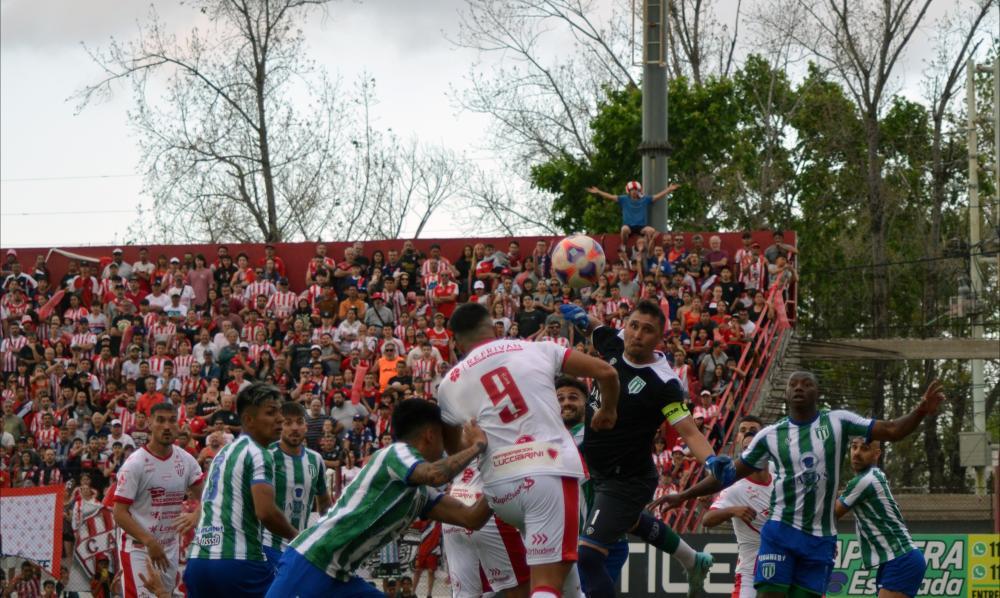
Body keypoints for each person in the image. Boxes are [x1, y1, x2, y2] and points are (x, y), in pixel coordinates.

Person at [654, 374, 948, 598]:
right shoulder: (770, 435)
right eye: (793, 384)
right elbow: (729, 474)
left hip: (820, 542)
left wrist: (921, 410)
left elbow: (893, 430)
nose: (798, 388)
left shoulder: (839, 422)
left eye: (806, 384)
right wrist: (685, 495)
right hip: (780, 533)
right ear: (785, 392)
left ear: (816, 392)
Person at [436, 302, 621, 598]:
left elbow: (452, 451)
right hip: (548, 473)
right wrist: (608, 410)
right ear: (494, 328)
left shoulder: (449, 384)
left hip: (499, 492)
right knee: (546, 585)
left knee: (568, 584)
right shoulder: (535, 349)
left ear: (456, 341)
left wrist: (476, 443)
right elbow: (607, 373)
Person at [558, 300, 724, 597]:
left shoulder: (664, 383)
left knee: (589, 556)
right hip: (596, 467)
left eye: (647, 330)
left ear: (659, 338)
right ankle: (693, 560)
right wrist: (583, 318)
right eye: (633, 326)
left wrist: (711, 461)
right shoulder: (615, 342)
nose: (636, 334)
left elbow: (688, 430)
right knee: (627, 520)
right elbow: (596, 329)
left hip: (627, 480)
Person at [265, 399, 494, 598]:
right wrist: (478, 446)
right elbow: (436, 474)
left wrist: (503, 477)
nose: (445, 448)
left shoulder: (419, 493)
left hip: (340, 576)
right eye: (444, 439)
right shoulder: (395, 453)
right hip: (311, 562)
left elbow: (471, 518)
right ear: (431, 435)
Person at [184, 383, 299, 597]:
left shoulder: (223, 453)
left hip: (199, 560)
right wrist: (297, 536)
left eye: (280, 413)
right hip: (238, 562)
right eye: (271, 413)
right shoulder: (258, 453)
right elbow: (265, 512)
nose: (280, 419)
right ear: (248, 420)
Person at [112, 402, 204, 598]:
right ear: (149, 423)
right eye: (160, 420)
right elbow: (119, 513)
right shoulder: (135, 464)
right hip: (139, 548)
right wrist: (149, 541)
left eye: (172, 421)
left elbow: (209, 497)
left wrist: (197, 513)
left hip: (169, 547)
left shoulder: (187, 461)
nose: (167, 426)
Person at [556, 376, 629, 593]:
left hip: (599, 541)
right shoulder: (551, 439)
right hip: (562, 542)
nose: (566, 403)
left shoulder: (595, 435)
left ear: (586, 403)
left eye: (573, 397)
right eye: (559, 398)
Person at [834, 438, 927, 598]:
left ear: (876, 454)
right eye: (854, 447)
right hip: (897, 559)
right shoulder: (873, 475)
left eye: (864, 448)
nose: (856, 453)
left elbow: (833, 513)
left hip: (901, 559)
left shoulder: (865, 481)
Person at [702, 427, 773, 598]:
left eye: (756, 447)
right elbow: (707, 519)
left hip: (781, 569)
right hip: (749, 573)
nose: (752, 452)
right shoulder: (735, 489)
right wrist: (733, 510)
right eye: (747, 449)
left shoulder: (780, 482)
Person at [261, 401, 333, 569]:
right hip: (265, 546)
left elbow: (324, 503)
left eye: (299, 422)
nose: (295, 428)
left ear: (306, 427)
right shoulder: (266, 456)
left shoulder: (315, 460)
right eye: (288, 423)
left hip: (298, 548)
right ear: (280, 426)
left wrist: (325, 536)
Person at [586, 181, 680, 248]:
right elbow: (610, 196)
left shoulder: (645, 200)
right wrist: (598, 192)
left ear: (639, 190)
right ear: (629, 191)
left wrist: (669, 189)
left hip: (641, 226)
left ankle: (647, 247)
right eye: (632, 190)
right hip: (629, 226)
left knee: (651, 230)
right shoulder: (624, 199)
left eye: (636, 189)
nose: (634, 191)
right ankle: (624, 245)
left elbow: (657, 196)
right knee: (624, 229)